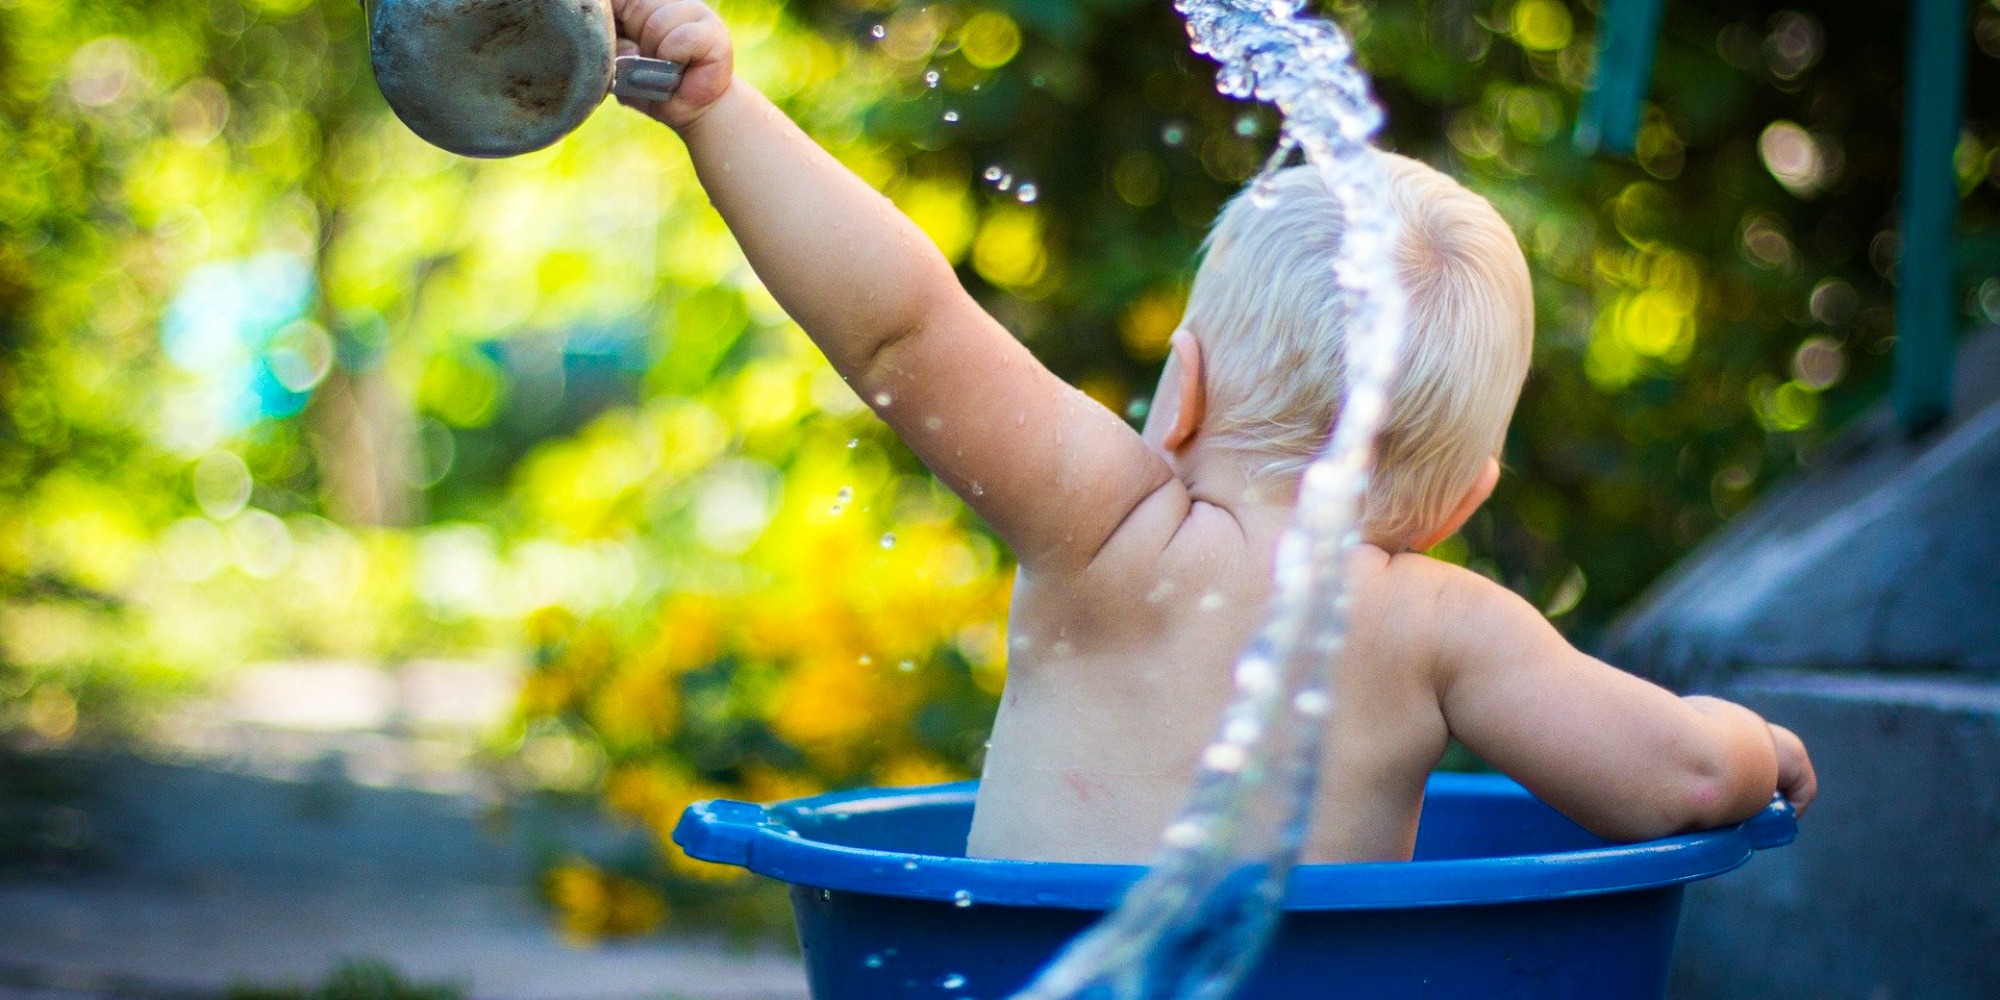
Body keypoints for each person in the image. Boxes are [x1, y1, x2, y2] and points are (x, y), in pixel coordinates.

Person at [609, 0, 1817, 864]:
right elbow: (1685, 778)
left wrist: (719, 109)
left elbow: (904, 332)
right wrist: (1754, 743)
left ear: (1177, 391)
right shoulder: (1442, 628)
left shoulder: (1107, 527)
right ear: (1462, 500)